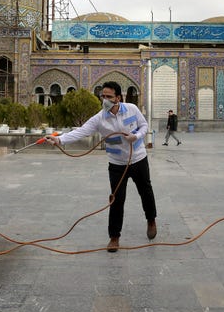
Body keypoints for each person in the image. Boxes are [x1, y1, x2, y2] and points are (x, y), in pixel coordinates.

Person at [46, 81, 157, 253]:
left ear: (118, 98)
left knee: (146, 192)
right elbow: (81, 131)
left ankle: (151, 220)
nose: (105, 100)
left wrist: (137, 136)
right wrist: (60, 139)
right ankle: (114, 237)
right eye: (103, 96)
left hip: (138, 159)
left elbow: (144, 126)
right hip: (117, 164)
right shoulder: (100, 118)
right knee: (116, 199)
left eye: (109, 97)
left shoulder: (132, 109)